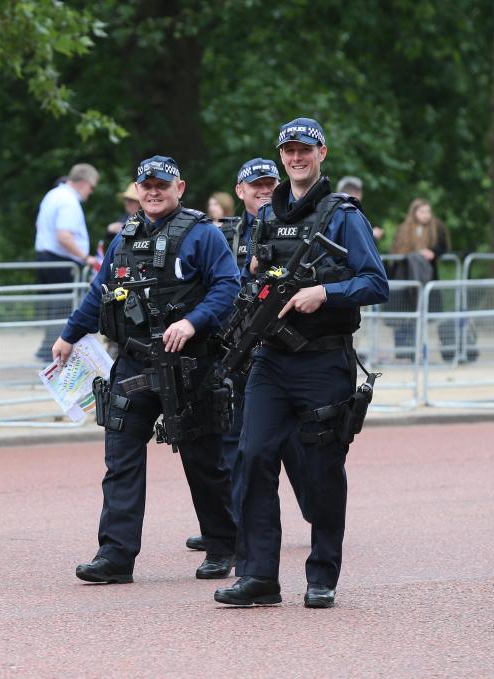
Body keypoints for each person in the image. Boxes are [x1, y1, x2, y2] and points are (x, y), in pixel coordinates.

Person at [214, 118, 388, 609]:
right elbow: (256, 275)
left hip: (323, 361)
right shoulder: (267, 214)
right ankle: (259, 577)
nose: (295, 158)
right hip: (270, 359)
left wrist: (325, 292)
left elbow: (377, 282)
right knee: (252, 457)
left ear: (321, 153)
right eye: (288, 150)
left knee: (321, 469)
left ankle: (322, 575)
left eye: (304, 150)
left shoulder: (343, 215)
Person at [53, 155, 240, 584]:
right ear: (137, 190)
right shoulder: (125, 237)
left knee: (204, 462)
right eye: (146, 185)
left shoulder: (203, 235)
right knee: (120, 460)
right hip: (134, 363)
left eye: (162, 184)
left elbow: (228, 287)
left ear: (180, 188)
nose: (153, 191)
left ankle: (223, 545)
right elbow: (99, 292)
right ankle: (115, 556)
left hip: (190, 366)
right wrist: (68, 336)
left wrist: (192, 321)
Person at [185, 157, 315, 552]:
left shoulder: (297, 228)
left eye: (268, 183)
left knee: (295, 439)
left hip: (285, 348)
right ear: (239, 192)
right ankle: (233, 522)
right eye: (254, 185)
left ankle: (319, 508)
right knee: (233, 437)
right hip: (235, 349)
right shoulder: (223, 235)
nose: (262, 190)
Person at [34, 163, 100, 360]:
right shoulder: (69, 201)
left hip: (45, 258)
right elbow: (64, 236)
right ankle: (53, 354)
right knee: (63, 309)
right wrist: (85, 257)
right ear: (84, 182)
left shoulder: (53, 194)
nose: (91, 192)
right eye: (92, 187)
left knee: (53, 307)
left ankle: (47, 348)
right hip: (61, 261)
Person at [388, 198, 450, 355]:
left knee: (424, 316)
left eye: (428, 211)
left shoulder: (437, 228)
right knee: (404, 316)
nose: (426, 215)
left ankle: (419, 352)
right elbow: (396, 251)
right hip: (406, 278)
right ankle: (403, 352)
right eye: (422, 211)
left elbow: (443, 247)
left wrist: (433, 252)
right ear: (414, 212)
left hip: (427, 277)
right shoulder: (404, 229)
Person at [337, 176, 384, 241]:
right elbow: (356, 244)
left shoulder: (334, 210)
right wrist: (374, 237)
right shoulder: (351, 212)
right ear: (357, 193)